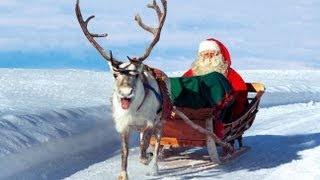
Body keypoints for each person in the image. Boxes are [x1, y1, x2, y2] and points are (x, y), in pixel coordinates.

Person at [183, 38, 248, 139]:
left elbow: (241, 91)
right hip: (195, 110)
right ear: (200, 56)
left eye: (212, 54)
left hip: (221, 111)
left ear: (219, 55)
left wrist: (236, 109)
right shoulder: (193, 72)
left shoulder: (228, 72)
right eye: (205, 54)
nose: (209, 57)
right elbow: (183, 85)